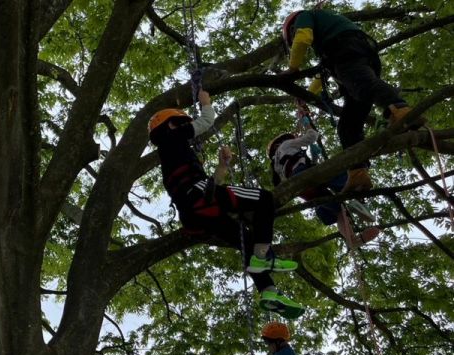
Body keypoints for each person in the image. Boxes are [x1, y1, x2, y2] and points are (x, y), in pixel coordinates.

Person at [149, 90, 305, 319]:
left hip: (196, 213)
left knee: (246, 240)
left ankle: (269, 292)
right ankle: (263, 256)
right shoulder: (171, 139)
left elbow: (212, 184)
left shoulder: (172, 156)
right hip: (202, 198)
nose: (184, 128)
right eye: (179, 124)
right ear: (170, 126)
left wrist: (222, 166)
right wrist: (206, 102)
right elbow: (207, 121)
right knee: (264, 199)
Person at [281, 8, 425, 193]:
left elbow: (302, 37)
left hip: (348, 50)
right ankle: (358, 174)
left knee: (364, 85)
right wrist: (305, 96)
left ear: (292, 27)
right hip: (354, 57)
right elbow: (322, 76)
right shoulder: (327, 42)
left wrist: (293, 68)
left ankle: (402, 111)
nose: (295, 41)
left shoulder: (304, 17)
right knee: (348, 127)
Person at [267, 123, 381, 250]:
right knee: (334, 172)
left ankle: (351, 239)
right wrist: (308, 126)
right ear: (279, 144)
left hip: (300, 189)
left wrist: (314, 156)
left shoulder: (277, 166)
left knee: (338, 209)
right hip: (303, 173)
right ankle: (355, 189)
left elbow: (296, 169)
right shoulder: (285, 145)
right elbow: (312, 137)